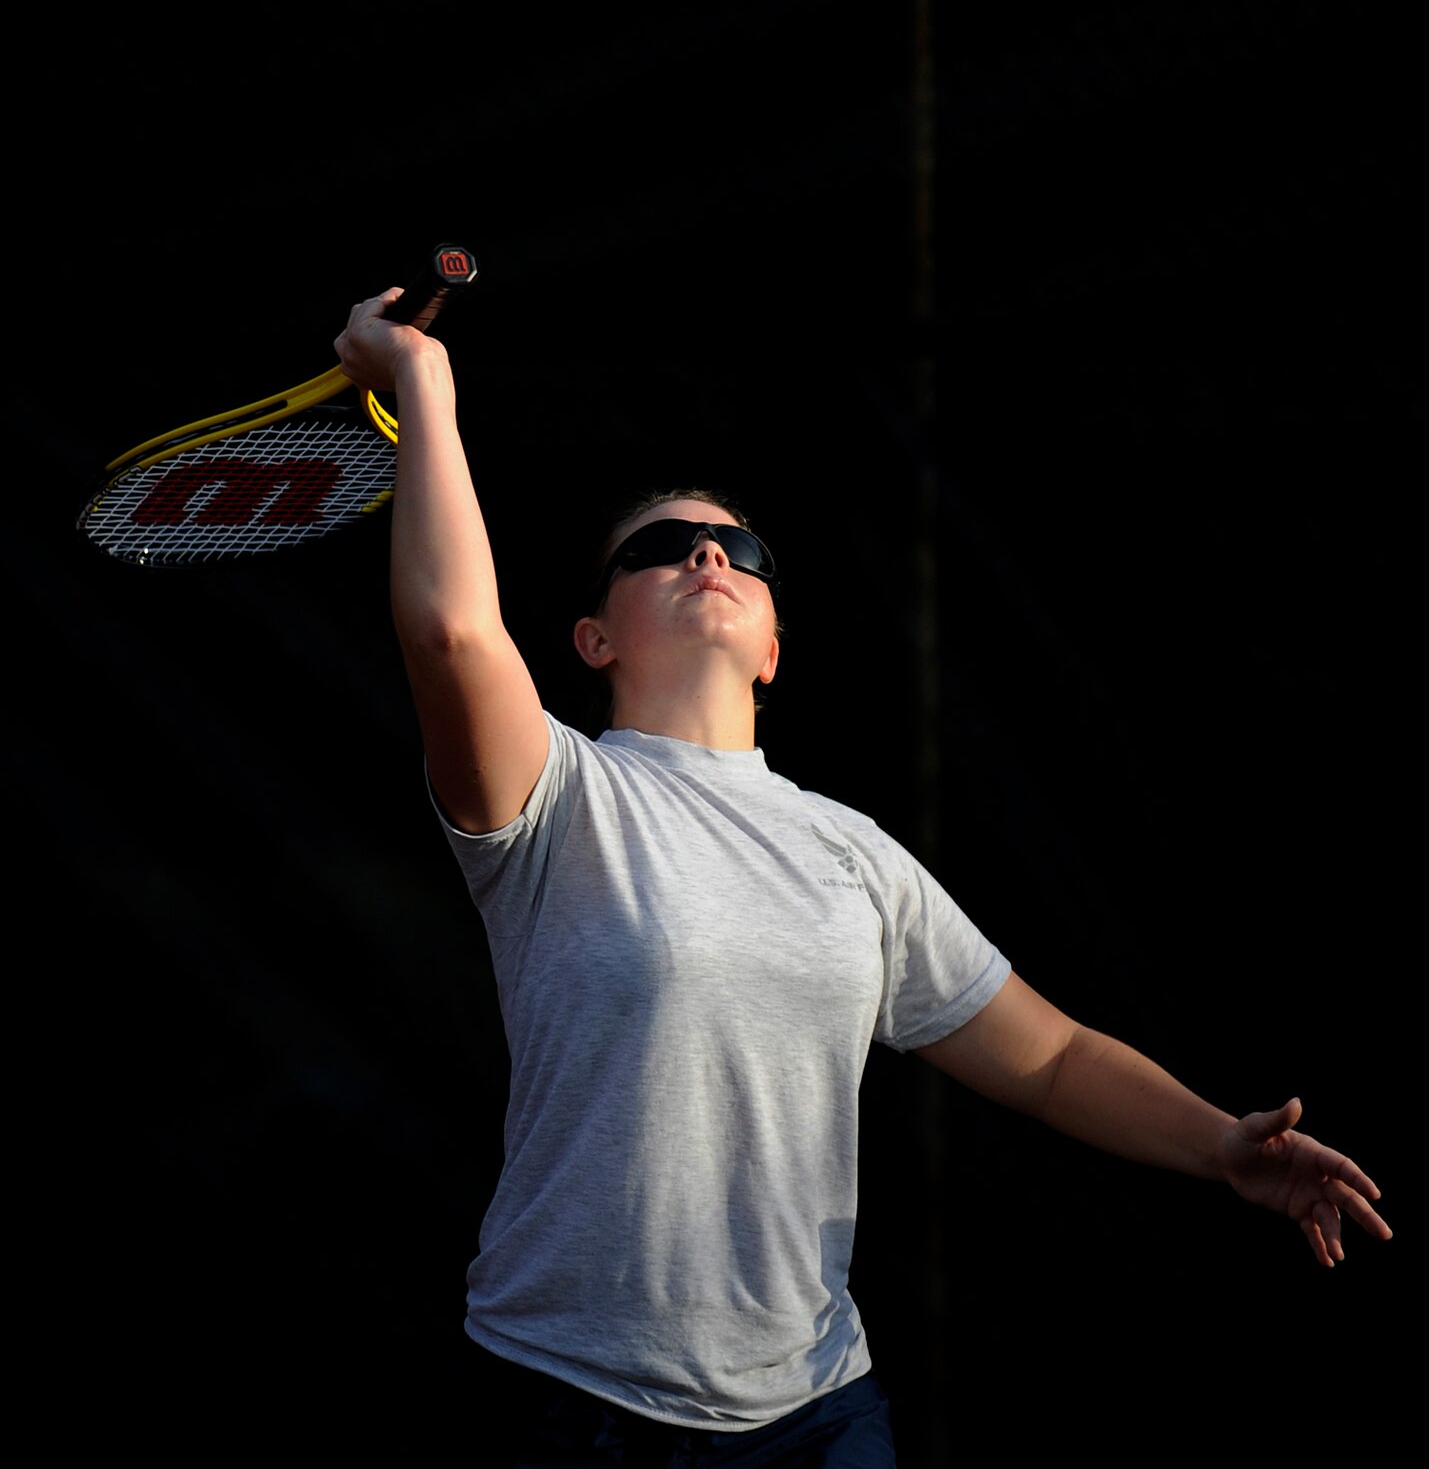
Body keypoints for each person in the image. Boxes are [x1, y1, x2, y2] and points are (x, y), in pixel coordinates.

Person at [335, 287, 1391, 1467]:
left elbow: (1048, 1057)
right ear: (592, 637)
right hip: (564, 1398)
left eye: (742, 549)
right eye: (660, 546)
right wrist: (421, 381)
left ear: (774, 644)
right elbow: (451, 632)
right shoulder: (559, 791)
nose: (706, 553)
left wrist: (1218, 1143)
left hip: (816, 1413)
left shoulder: (856, 852)